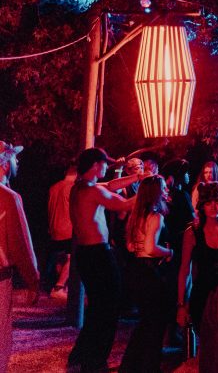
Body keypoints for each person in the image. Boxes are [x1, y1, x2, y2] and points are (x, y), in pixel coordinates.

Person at [68, 147, 139, 372]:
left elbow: (110, 186)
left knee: (98, 308)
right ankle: (95, 361)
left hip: (87, 254)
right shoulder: (90, 190)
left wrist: (137, 177)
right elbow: (123, 204)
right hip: (98, 255)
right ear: (96, 165)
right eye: (104, 164)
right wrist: (148, 189)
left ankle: (81, 355)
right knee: (108, 308)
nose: (107, 167)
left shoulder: (81, 187)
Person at [120, 175, 174, 372]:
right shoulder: (156, 216)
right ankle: (149, 366)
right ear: (156, 193)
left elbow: (130, 246)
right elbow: (151, 248)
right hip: (150, 272)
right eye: (163, 189)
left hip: (136, 270)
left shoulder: (135, 216)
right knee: (156, 322)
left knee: (145, 322)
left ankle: (131, 366)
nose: (166, 191)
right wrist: (169, 252)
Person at [176, 182, 218, 354]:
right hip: (203, 294)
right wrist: (181, 305)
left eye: (217, 201)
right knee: (210, 347)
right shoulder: (192, 232)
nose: (213, 207)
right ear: (201, 205)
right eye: (208, 202)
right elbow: (184, 270)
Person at [0, 141, 39, 372]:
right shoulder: (8, 197)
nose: (17, 162)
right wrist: (33, 281)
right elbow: (20, 244)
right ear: (4, 164)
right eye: (14, 157)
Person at [47, 162, 76, 298]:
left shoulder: (54, 187)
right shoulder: (72, 188)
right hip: (68, 228)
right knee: (73, 259)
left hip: (54, 228)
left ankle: (61, 287)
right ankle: (59, 287)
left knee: (62, 259)